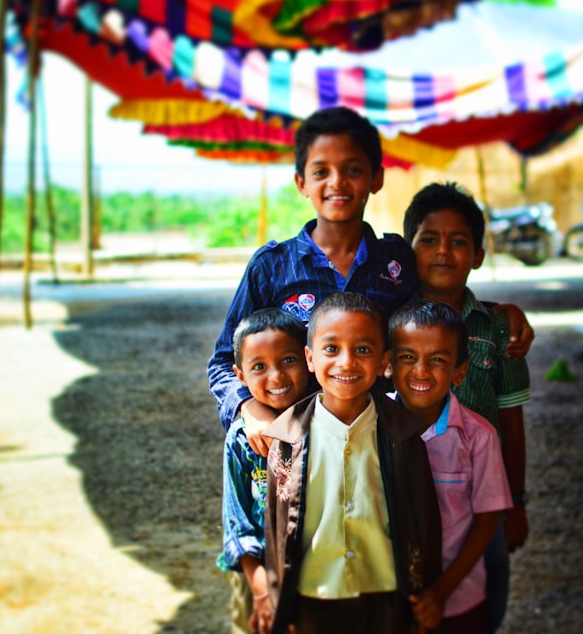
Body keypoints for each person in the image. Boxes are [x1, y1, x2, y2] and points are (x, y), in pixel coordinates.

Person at [207, 106, 535, 459]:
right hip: (297, 451)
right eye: (321, 171)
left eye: (352, 169)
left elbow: (437, 306)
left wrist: (499, 313)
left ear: (376, 178)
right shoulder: (272, 267)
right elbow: (225, 360)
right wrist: (248, 409)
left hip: (381, 452)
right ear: (301, 182)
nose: (337, 182)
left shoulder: (396, 261)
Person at [262, 292, 443, 634]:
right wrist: (280, 607)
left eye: (362, 350)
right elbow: (276, 532)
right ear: (310, 358)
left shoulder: (403, 437)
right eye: (331, 349)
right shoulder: (286, 440)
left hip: (388, 596)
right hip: (314, 598)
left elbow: (425, 523)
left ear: (383, 361)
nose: (346, 362)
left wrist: (427, 592)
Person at [403, 181, 531, 633]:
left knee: (484, 594)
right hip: (412, 492)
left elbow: (512, 424)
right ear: (408, 249)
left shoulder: (497, 330)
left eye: (459, 242)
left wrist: (515, 501)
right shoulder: (391, 323)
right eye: (429, 240)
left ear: (477, 254)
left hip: (485, 499)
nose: (443, 252)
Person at [388, 299, 512, 633]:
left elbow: (488, 520)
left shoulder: (478, 437)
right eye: (407, 357)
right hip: (386, 597)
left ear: (460, 371)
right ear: (388, 364)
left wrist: (442, 591)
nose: (421, 371)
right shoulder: (371, 423)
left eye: (438, 360)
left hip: (456, 598)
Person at [217, 308, 310, 634]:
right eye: (259, 367)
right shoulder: (242, 439)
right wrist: (262, 593)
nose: (276, 377)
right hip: (257, 577)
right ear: (239, 376)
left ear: (308, 359)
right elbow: (237, 524)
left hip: (317, 582)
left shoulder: (323, 424)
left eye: (288, 360)